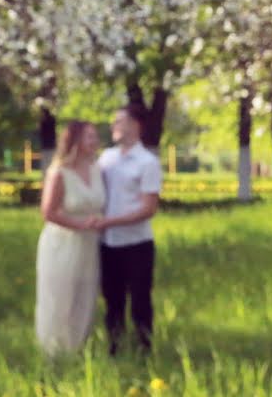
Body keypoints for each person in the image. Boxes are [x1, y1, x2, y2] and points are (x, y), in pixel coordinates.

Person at [93, 105, 162, 354]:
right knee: (112, 300)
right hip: (107, 244)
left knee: (140, 301)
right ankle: (115, 349)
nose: (114, 126)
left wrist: (110, 222)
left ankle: (145, 350)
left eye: (119, 121)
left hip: (137, 244)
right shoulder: (106, 158)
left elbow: (148, 208)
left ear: (135, 125)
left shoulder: (148, 162)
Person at [34, 120, 105, 356]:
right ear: (74, 141)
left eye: (95, 137)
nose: (94, 142)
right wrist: (79, 224)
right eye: (89, 137)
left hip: (89, 243)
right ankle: (52, 351)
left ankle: (76, 348)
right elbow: (48, 212)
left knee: (84, 296)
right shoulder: (59, 172)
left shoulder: (97, 169)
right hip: (62, 242)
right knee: (58, 297)